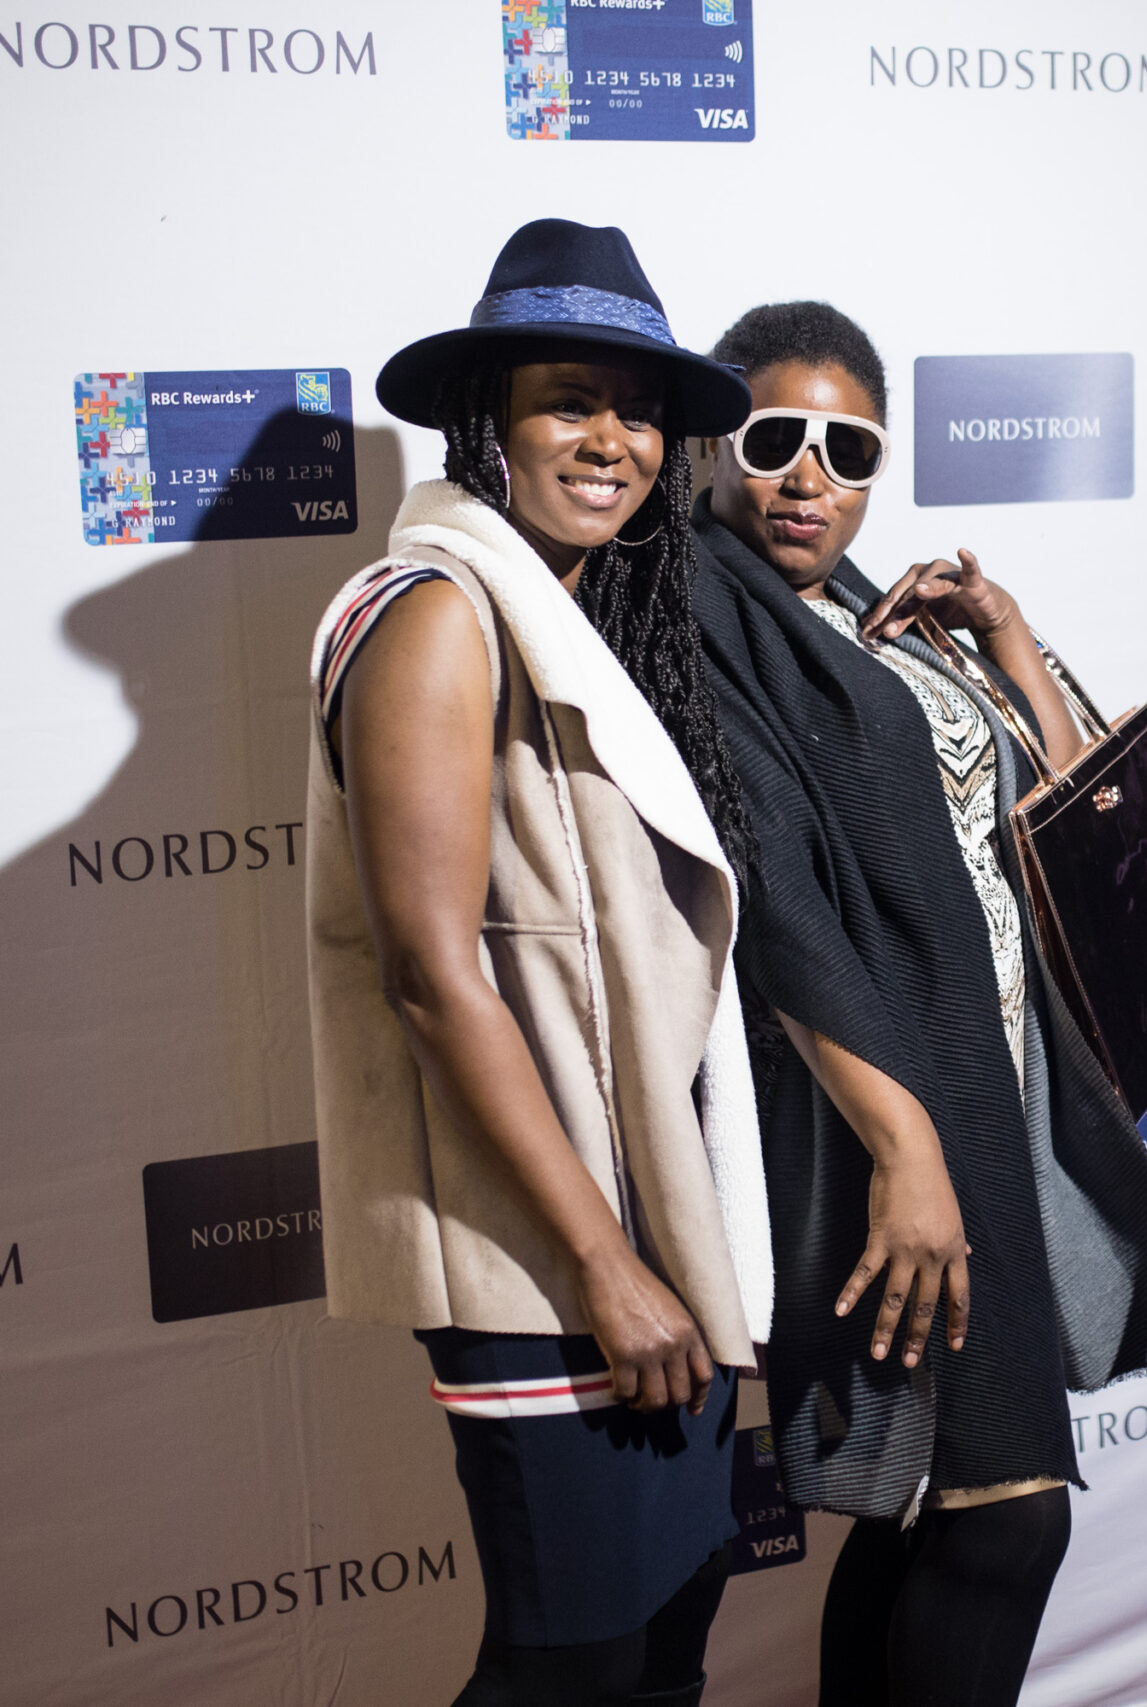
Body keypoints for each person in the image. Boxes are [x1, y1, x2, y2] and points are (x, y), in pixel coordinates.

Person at [304, 219, 769, 1707]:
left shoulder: (563, 611)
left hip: (643, 1234)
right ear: (487, 424)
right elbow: (436, 975)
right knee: (574, 1669)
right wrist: (604, 1264)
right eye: (571, 398)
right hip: (547, 1257)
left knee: (657, 1645)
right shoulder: (436, 613)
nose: (614, 438)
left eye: (639, 410)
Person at [688, 301, 1147, 1707]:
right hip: (887, 1111)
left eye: (847, 449)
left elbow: (1083, 830)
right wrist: (908, 1155)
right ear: (720, 441)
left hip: (998, 1088)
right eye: (775, 436)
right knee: (1011, 1513)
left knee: (935, 1519)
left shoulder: (858, 610)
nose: (806, 476)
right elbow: (776, 900)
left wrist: (1006, 642)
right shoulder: (707, 613)